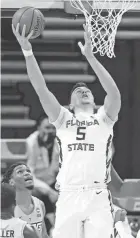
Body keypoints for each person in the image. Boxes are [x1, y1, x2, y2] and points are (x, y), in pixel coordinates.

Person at [12, 22, 121, 238]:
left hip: (97, 194)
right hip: (69, 194)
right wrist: (27, 50)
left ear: (94, 100)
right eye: (77, 90)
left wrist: (90, 57)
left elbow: (114, 94)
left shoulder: (104, 118)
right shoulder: (63, 119)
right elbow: (40, 88)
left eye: (86, 90)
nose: (83, 90)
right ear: (69, 104)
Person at [2, 162, 49, 238]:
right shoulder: (8, 206)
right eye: (20, 171)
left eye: (28, 171)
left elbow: (44, 235)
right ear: (11, 182)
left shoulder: (40, 204)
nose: (27, 173)